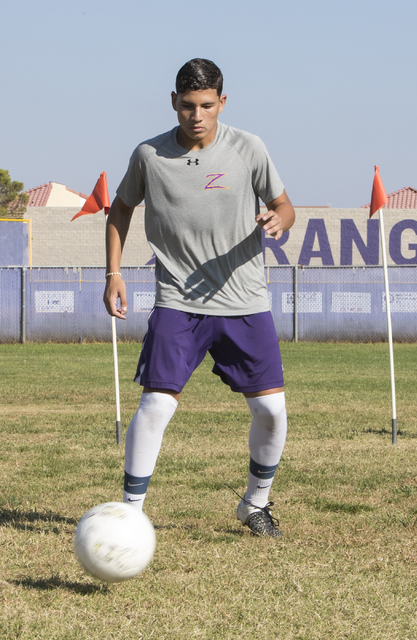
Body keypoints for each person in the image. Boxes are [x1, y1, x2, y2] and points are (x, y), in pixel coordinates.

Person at [103, 58, 295, 537]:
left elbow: (284, 205)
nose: (196, 115)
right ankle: (130, 512)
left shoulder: (249, 148)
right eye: (187, 105)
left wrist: (279, 221)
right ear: (174, 102)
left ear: (222, 103)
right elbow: (120, 210)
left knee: (271, 411)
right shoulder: (149, 155)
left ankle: (255, 503)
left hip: (244, 299)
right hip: (178, 301)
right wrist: (113, 273)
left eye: (206, 105)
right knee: (156, 406)